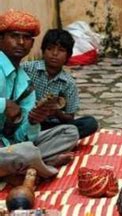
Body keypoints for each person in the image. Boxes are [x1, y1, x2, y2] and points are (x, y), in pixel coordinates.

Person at [0, 9, 79, 179]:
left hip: (8, 145)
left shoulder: (25, 81)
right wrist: (4, 104)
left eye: (27, 38)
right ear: (1, 39)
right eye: (14, 36)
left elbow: (21, 137)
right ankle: (42, 167)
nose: (21, 42)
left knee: (69, 132)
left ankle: (22, 166)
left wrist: (33, 121)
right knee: (26, 152)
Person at [22, 29, 99, 139]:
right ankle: (52, 142)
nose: (54, 54)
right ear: (43, 51)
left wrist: (56, 112)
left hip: (49, 126)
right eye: (50, 49)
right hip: (26, 120)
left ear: (68, 55)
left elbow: (70, 117)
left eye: (61, 50)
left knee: (89, 123)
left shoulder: (69, 83)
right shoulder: (27, 68)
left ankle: (48, 139)